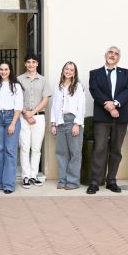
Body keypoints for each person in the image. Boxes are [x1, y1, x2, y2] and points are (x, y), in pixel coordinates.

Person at [87, 46, 128, 194]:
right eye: (110, 52)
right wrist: (108, 105)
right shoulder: (95, 73)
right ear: (105, 54)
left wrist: (116, 104)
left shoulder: (126, 73)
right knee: (99, 148)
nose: (112, 55)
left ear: (118, 58)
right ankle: (95, 182)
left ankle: (111, 180)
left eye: (116, 54)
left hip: (121, 117)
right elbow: (94, 90)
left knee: (116, 149)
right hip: (102, 116)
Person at [17, 53, 51, 189]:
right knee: (25, 147)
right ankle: (25, 176)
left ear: (37, 64)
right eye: (28, 62)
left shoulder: (43, 80)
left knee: (36, 148)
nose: (31, 64)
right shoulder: (19, 80)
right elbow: (17, 99)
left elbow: (45, 99)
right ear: (25, 64)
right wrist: (26, 113)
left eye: (33, 62)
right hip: (23, 117)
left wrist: (33, 112)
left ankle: (33, 175)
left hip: (39, 117)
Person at [0, 61, 23, 194]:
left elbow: (19, 106)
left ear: (10, 70)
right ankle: (1, 182)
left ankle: (9, 184)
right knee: (0, 150)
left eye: (6, 69)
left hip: (11, 117)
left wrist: (13, 123)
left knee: (10, 151)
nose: (3, 72)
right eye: (1, 69)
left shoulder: (16, 86)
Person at [50, 61, 85, 190]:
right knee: (61, 152)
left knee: (75, 153)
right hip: (60, 121)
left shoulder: (78, 86)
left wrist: (77, 123)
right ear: (63, 70)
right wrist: (53, 123)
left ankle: (73, 182)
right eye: (66, 69)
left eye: (71, 70)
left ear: (74, 73)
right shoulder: (58, 86)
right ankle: (63, 180)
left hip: (73, 121)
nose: (68, 71)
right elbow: (54, 106)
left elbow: (81, 106)